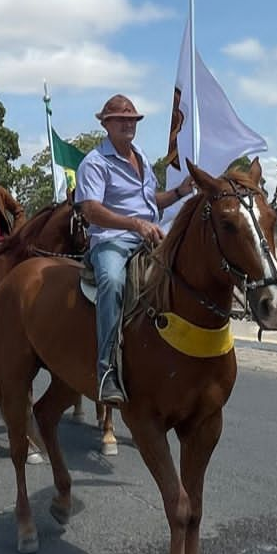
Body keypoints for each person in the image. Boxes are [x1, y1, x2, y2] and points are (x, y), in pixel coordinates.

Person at [74, 94, 194, 405]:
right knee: (113, 283)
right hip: (111, 241)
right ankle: (107, 370)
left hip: (151, 236)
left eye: (133, 119)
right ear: (106, 124)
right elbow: (90, 210)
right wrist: (135, 225)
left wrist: (180, 192)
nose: (129, 124)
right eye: (121, 120)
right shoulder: (95, 163)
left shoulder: (140, 156)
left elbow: (150, 201)